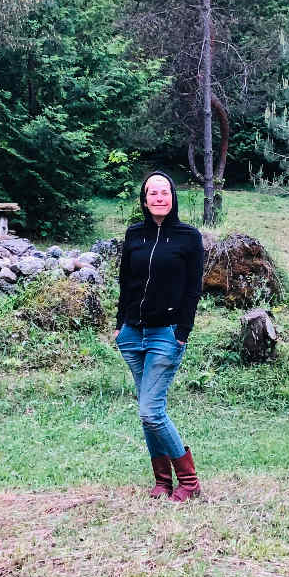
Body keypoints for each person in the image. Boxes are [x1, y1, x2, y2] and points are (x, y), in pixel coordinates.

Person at [112, 171, 205, 501]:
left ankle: (189, 482)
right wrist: (119, 324)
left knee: (151, 411)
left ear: (173, 196)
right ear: (144, 198)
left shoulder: (188, 237)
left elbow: (193, 289)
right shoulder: (134, 234)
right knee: (147, 411)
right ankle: (163, 481)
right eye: (153, 193)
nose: (159, 198)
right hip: (132, 334)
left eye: (164, 192)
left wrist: (183, 332)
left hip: (166, 334)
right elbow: (125, 282)